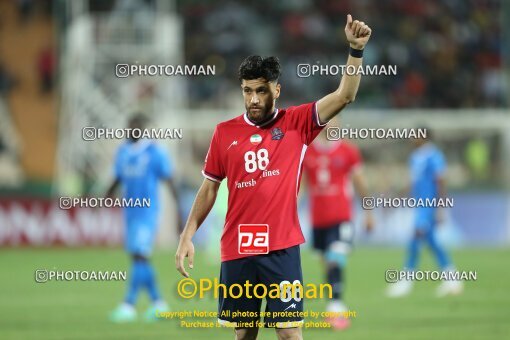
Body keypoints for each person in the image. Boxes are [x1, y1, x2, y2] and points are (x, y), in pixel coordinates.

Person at [176, 15, 371, 340]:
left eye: (261, 91)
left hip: (281, 247)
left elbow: (344, 96)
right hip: (238, 248)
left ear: (276, 90)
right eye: (247, 91)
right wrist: (187, 234)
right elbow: (209, 187)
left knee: (289, 334)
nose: (253, 99)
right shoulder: (224, 133)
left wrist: (355, 51)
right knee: (245, 335)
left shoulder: (297, 122)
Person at [107, 114, 182, 322]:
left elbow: (170, 181)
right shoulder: (122, 152)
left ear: (144, 128)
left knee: (140, 255)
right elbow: (116, 178)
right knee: (138, 257)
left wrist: (178, 212)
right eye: (130, 125)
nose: (133, 129)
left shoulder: (154, 152)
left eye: (137, 125)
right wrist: (102, 200)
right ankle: (158, 304)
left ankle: (128, 305)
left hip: (147, 212)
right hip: (129, 212)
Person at [302, 130, 373, 329]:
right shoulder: (307, 151)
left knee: (335, 259)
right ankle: (333, 306)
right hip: (317, 219)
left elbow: (360, 183)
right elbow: (303, 185)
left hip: (342, 217)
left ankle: (337, 308)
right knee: (327, 263)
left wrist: (368, 212)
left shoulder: (348, 151)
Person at [387, 129, 462, 298]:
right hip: (419, 205)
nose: (412, 138)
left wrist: (441, 207)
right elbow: (413, 183)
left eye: (416, 134)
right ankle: (452, 279)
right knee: (431, 241)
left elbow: (440, 180)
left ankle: (406, 281)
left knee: (416, 237)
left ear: (424, 136)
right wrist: (397, 198)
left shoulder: (434, 156)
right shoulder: (415, 157)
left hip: (429, 206)